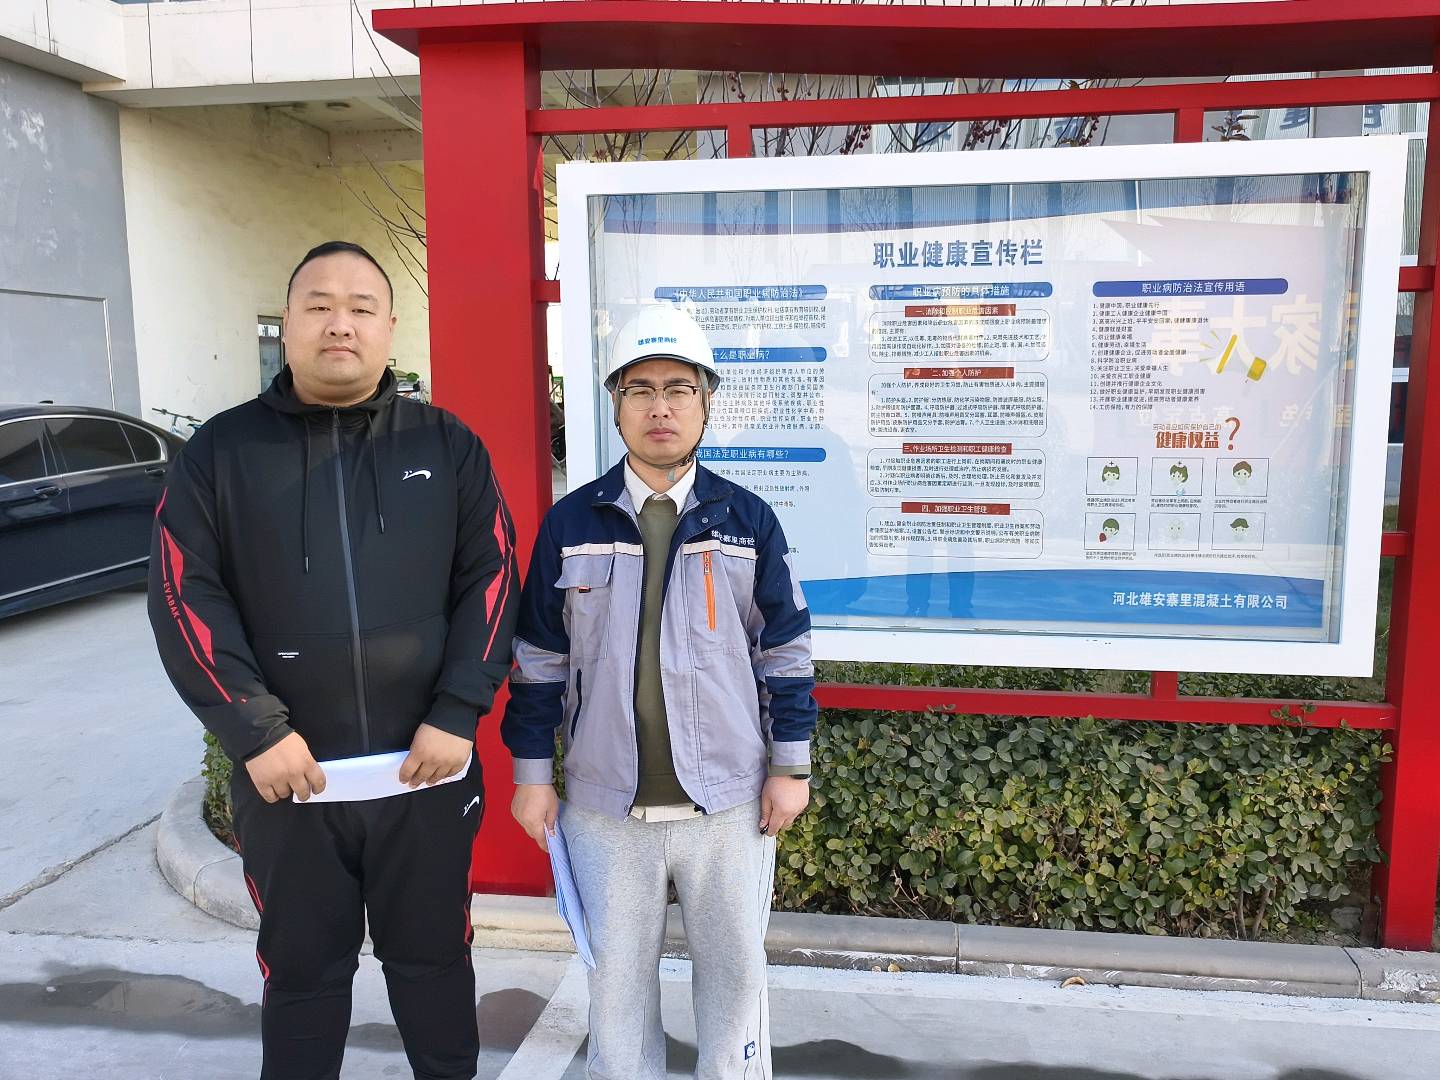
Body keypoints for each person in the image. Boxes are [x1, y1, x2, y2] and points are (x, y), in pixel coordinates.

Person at [148, 240, 519, 1080]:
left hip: (426, 772)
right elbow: (182, 596)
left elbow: (494, 579)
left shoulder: (447, 444)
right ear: (286, 326)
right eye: (318, 306)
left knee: (434, 962)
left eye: (360, 307)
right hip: (289, 782)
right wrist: (256, 731)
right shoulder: (222, 453)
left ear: (390, 327)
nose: (339, 324)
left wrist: (458, 711)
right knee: (303, 976)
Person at [504, 304, 817, 1080]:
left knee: (736, 984)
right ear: (615, 406)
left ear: (707, 402)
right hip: (606, 808)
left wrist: (790, 767)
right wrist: (533, 778)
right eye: (640, 389)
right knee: (615, 990)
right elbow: (538, 660)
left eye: (679, 388)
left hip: (728, 803)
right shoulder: (572, 522)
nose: (660, 407)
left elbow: (785, 653)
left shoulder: (746, 520)